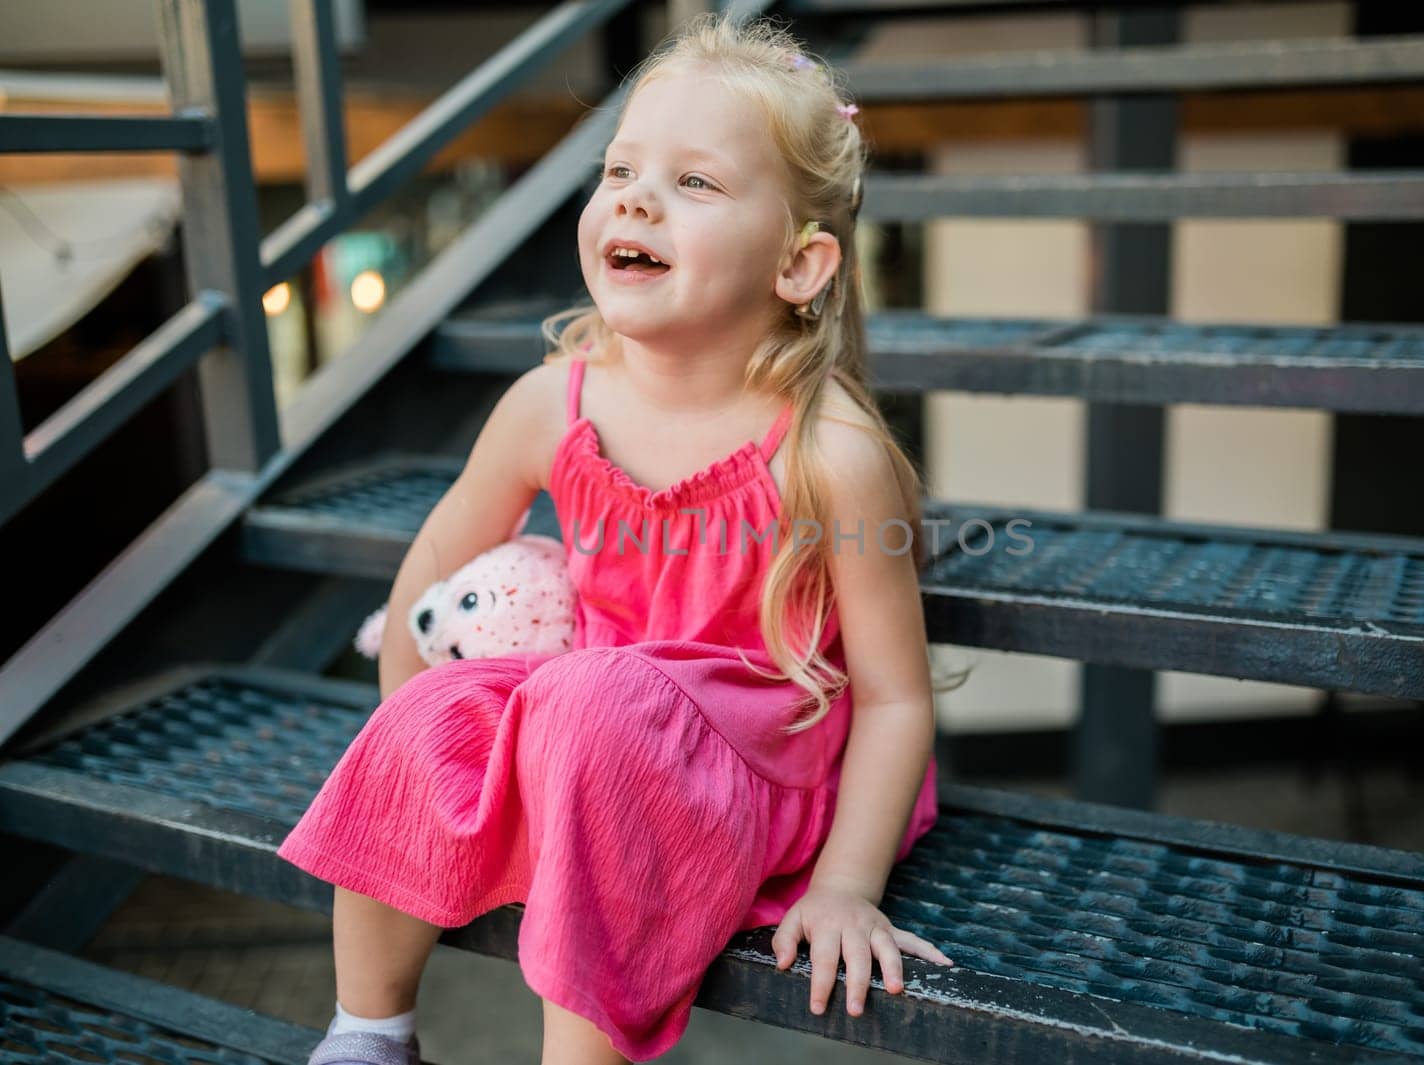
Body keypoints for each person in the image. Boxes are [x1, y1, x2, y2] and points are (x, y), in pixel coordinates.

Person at [279, 13, 968, 1064]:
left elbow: (894, 697)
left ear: (799, 263)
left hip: (751, 768)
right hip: (584, 730)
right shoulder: (548, 406)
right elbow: (429, 581)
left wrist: (843, 887)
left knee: (592, 702)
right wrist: (439, 757)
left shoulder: (826, 455)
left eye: (694, 183)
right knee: (435, 703)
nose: (636, 197)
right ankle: (368, 1034)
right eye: (619, 170)